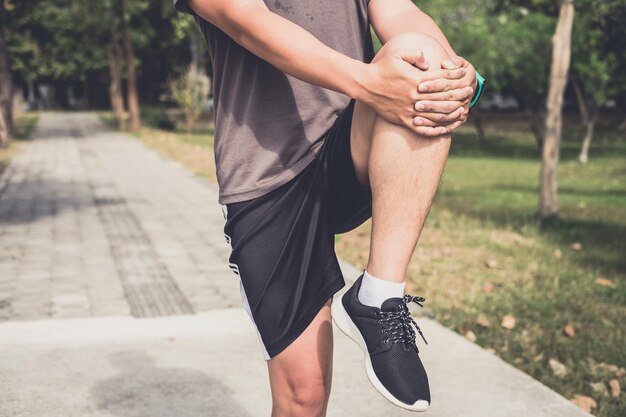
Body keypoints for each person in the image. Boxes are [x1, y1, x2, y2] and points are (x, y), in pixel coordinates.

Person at [173, 0, 485, 415]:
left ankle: (378, 297)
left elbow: (400, 13)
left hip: (349, 141)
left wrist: (453, 74)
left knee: (419, 52)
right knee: (305, 393)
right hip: (266, 175)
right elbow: (244, 20)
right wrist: (371, 83)